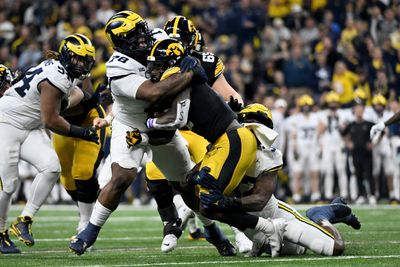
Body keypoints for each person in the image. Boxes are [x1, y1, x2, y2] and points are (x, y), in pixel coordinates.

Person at [132, 38, 287, 258]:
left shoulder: (176, 76)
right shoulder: (182, 73)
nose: (154, 71)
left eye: (158, 64)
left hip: (232, 139)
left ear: (170, 62)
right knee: (187, 186)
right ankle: (252, 229)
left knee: (210, 203)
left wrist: (145, 126)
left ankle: (265, 229)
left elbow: (177, 118)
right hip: (220, 143)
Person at [69, 11, 206, 256]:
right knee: (121, 177)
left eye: (141, 30)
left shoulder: (156, 37)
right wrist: (188, 73)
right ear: (121, 42)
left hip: (162, 125)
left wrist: (189, 58)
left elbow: (183, 49)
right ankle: (89, 231)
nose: (143, 38)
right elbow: (154, 93)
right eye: (134, 35)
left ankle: (215, 233)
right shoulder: (117, 66)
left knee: (186, 186)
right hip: (131, 125)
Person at [196, 103, 361, 257]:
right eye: (250, 121)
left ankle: (322, 215)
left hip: (279, 218)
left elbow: (260, 199)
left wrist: (227, 202)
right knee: (296, 250)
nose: (253, 127)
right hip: (253, 228)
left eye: (258, 122)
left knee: (334, 247)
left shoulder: (269, 154)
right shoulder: (223, 148)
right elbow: (188, 179)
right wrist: (199, 173)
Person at [145, 15, 249, 254]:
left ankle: (239, 232)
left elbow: (230, 95)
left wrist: (235, 106)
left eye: (179, 41)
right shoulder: (156, 60)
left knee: (212, 178)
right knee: (153, 172)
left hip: (197, 130)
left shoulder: (202, 61)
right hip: (169, 131)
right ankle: (171, 225)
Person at [0, 33, 98, 254]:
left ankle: (24, 219)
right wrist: (82, 132)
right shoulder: (57, 76)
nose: (82, 64)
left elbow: (83, 95)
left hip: (29, 126)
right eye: (78, 59)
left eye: (86, 60)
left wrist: (80, 94)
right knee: (8, 184)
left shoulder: (59, 69)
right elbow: (51, 120)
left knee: (52, 166)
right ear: (66, 56)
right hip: (6, 121)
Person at [53, 84, 108, 237]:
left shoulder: (74, 74)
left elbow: (83, 97)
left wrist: (90, 102)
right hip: (62, 124)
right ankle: (87, 210)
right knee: (67, 177)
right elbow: (53, 114)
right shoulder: (46, 82)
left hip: (90, 119)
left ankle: (85, 222)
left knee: (83, 171)